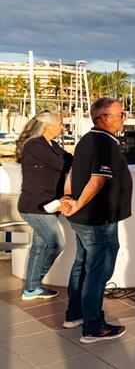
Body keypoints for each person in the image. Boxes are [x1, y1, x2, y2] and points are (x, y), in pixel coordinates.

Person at [59, 97, 131, 343]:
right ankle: (93, 326)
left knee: (83, 264)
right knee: (98, 269)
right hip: (98, 218)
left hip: (85, 217)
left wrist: (69, 196)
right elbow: (97, 179)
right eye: (120, 114)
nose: (125, 118)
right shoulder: (103, 143)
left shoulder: (87, 139)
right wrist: (77, 201)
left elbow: (72, 171)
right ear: (103, 118)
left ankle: (75, 314)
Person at [15, 111, 71, 300]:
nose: (62, 128)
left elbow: (70, 159)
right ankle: (33, 285)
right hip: (35, 206)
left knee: (39, 247)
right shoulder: (34, 145)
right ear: (48, 126)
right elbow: (61, 164)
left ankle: (31, 288)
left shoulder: (52, 145)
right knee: (56, 243)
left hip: (48, 205)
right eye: (60, 124)